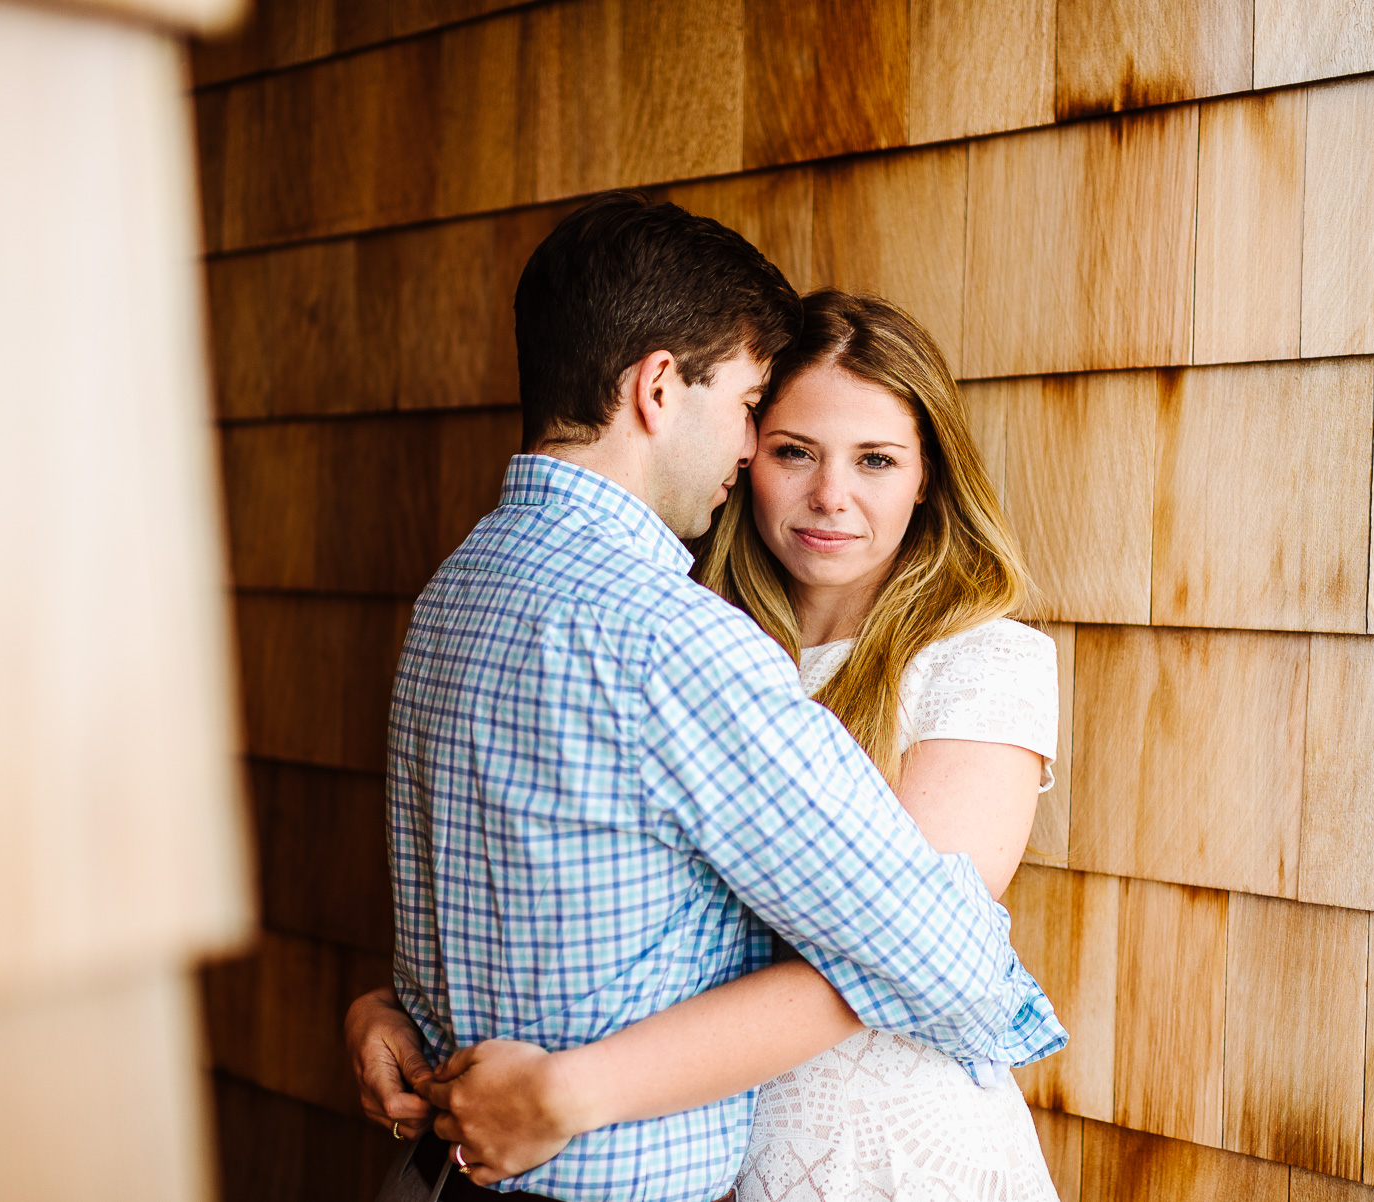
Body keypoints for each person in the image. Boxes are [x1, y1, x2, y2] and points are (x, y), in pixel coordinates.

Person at [344, 193, 1064, 1202]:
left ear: (928, 480)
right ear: (658, 390)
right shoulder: (686, 640)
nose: (829, 494)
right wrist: (404, 1006)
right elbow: (935, 947)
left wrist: (480, 1044)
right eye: (776, 438)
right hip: (626, 1152)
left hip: (873, 1150)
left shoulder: (459, 587)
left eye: (877, 460)